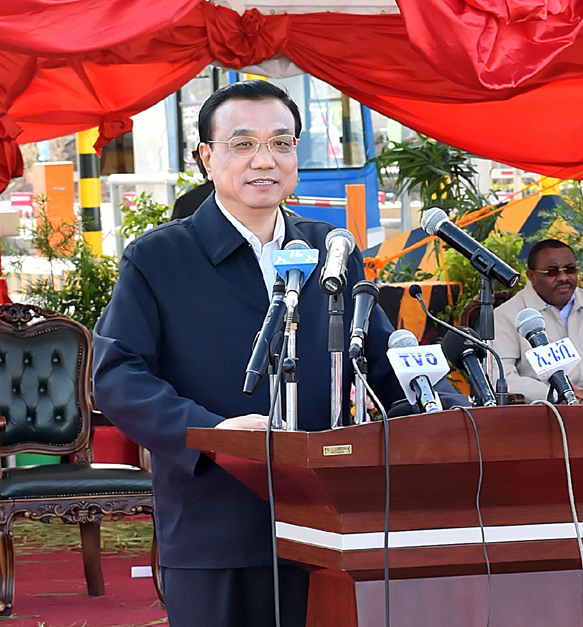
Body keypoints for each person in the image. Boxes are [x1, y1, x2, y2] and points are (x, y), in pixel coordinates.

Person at [92, 80, 464, 627]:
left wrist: (452, 413)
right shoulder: (159, 257)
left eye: (281, 143)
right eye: (243, 144)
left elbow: (381, 354)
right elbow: (118, 375)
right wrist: (213, 433)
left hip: (328, 513)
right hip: (214, 516)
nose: (264, 160)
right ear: (206, 158)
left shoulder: (331, 248)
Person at [493, 238, 583, 588]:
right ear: (531, 276)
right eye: (552, 271)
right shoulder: (507, 316)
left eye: (570, 269)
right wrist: (556, 396)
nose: (563, 277)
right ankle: (572, 554)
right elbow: (501, 376)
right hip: (539, 420)